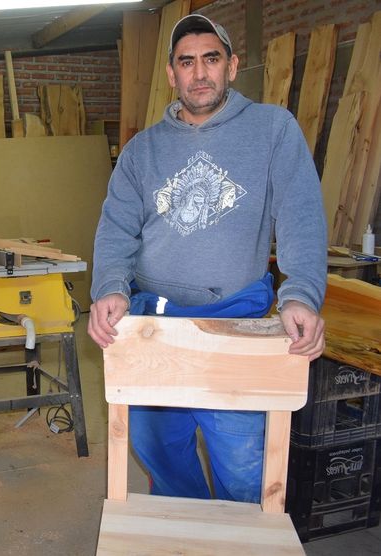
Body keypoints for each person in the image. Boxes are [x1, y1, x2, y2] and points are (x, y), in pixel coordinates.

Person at [88, 14, 327, 503]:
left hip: (234, 322)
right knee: (162, 458)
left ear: (232, 66)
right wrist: (110, 287)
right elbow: (116, 230)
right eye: (187, 62)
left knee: (243, 468)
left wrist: (300, 292)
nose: (200, 73)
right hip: (155, 326)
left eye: (211, 59)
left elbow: (301, 215)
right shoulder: (141, 152)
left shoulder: (272, 130)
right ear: (172, 75)